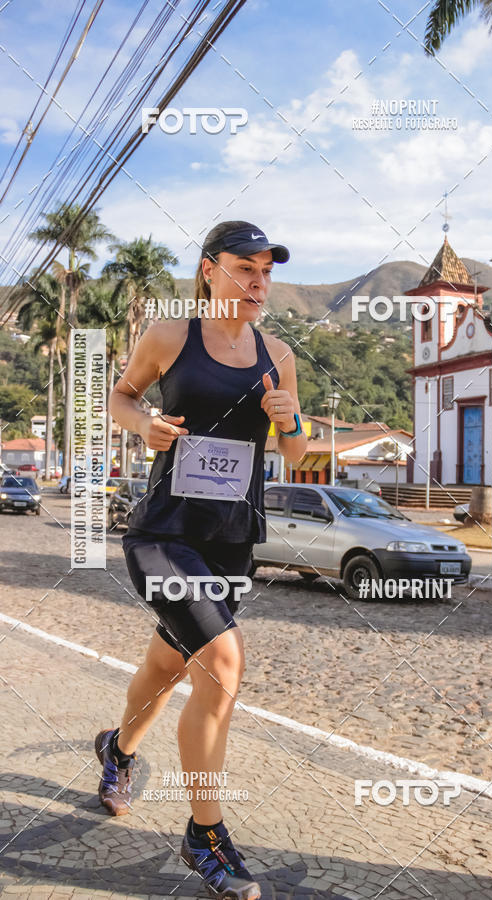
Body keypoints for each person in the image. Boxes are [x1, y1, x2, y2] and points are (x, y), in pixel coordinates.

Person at [95, 220, 307, 899]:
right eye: (246, 267)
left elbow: (297, 452)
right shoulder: (170, 336)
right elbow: (121, 396)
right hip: (163, 533)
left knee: (169, 666)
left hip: (231, 539)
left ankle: (117, 749)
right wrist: (144, 425)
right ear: (210, 270)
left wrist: (289, 419)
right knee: (222, 662)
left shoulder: (278, 354)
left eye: (267, 271)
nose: (258, 281)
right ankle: (205, 836)